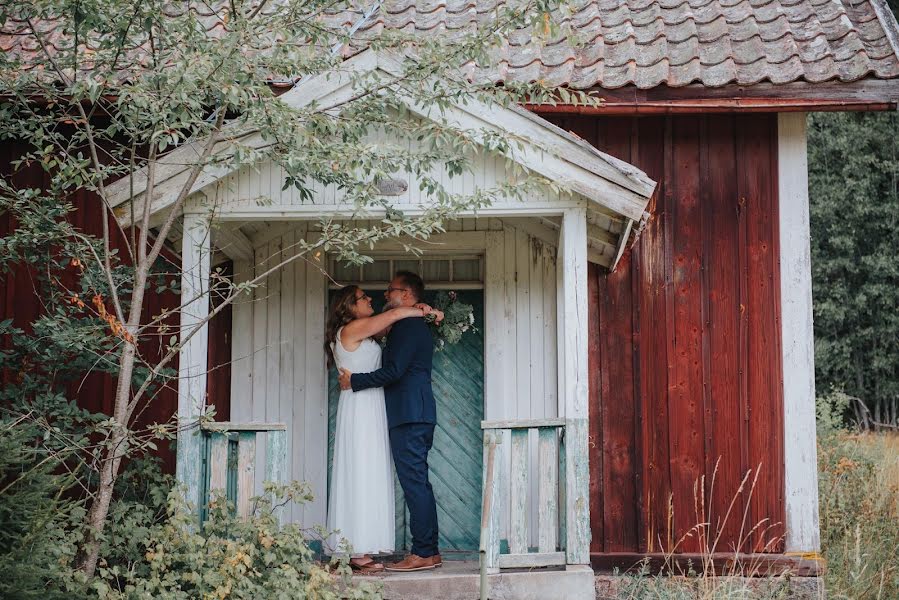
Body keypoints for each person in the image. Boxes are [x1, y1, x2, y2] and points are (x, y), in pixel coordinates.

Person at [324, 284, 440, 574]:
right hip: (360, 407)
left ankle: (364, 546)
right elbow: (395, 315)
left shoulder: (369, 331)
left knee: (372, 474)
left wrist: (424, 313)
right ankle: (352, 550)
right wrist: (428, 311)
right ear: (348, 306)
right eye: (363, 297)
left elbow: (393, 341)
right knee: (359, 473)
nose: (371, 299)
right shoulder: (353, 329)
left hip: (375, 406)